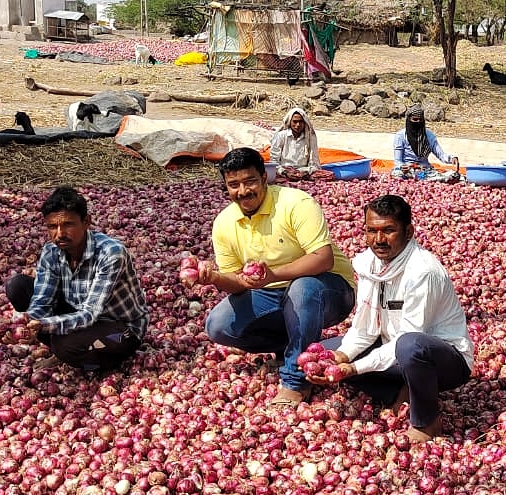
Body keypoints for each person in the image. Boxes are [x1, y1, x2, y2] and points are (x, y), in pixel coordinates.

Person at [307, 194, 474, 443]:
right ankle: (400, 390)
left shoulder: (422, 272)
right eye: (371, 230)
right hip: (392, 347)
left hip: (444, 360)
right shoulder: (370, 266)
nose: (379, 240)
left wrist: (354, 368)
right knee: (326, 350)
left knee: (411, 346)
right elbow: (363, 329)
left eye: (389, 230)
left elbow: (407, 338)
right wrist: (341, 357)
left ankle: (426, 421)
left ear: (408, 232)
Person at [199, 147, 356, 407]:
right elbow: (238, 283)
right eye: (233, 184)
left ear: (264, 178)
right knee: (217, 325)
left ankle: (296, 378)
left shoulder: (296, 203)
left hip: (329, 289)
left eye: (250, 181)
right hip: (272, 292)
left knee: (302, 288)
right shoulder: (224, 224)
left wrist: (272, 275)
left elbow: (322, 258)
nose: (243, 191)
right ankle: (295, 346)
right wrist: (214, 277)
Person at [5, 186, 149, 372]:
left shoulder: (111, 254)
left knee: (65, 346)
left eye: (68, 224)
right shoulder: (52, 252)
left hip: (121, 329)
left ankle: (105, 362)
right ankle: (69, 349)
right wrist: (27, 328)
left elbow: (90, 314)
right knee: (18, 286)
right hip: (77, 315)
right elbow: (41, 302)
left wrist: (45, 325)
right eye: (52, 227)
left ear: (87, 222)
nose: (60, 234)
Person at [391, 103, 458, 180]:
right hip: (407, 170)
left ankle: (427, 178)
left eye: (420, 120)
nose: (418, 122)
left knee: (453, 176)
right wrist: (402, 167)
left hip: (425, 169)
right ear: (409, 120)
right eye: (415, 119)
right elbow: (398, 160)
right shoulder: (401, 136)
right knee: (397, 175)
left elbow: (441, 154)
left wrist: (452, 159)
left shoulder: (429, 136)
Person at [269, 107, 335, 181]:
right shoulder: (281, 136)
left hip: (303, 170)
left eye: (301, 122)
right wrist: (285, 172)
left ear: (305, 123)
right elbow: (274, 161)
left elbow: (314, 162)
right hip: (284, 170)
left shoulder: (310, 137)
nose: (298, 125)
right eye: (295, 121)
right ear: (290, 122)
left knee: (329, 175)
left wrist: (306, 172)